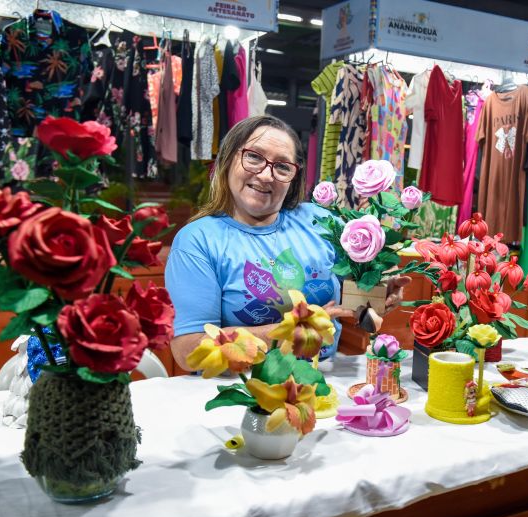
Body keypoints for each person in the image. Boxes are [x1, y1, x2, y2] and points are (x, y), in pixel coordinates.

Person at [165, 115, 409, 371]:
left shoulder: (321, 222)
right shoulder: (198, 241)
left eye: (282, 166)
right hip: (243, 387)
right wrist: (289, 331)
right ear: (228, 160)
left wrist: (378, 294)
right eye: (254, 157)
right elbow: (188, 349)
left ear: (293, 176)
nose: (266, 175)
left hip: (323, 379)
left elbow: (356, 307)